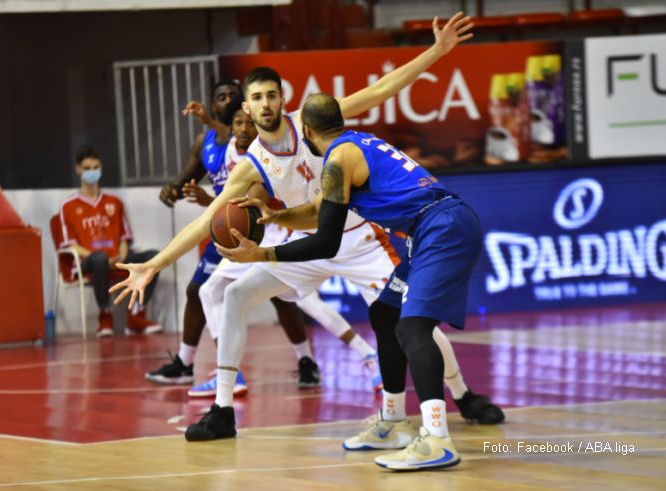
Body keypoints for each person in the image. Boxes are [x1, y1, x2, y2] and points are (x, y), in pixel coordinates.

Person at [110, 12, 478, 444]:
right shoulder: (251, 165)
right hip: (307, 242)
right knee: (235, 294)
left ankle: (464, 395)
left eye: (272, 95)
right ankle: (223, 410)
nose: (266, 103)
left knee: (414, 321)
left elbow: (380, 90)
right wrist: (154, 263)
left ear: (283, 99)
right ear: (246, 108)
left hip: (360, 239)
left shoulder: (313, 121)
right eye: (257, 98)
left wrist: (436, 51)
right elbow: (208, 221)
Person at [217, 91, 485, 471]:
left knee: (413, 328)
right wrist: (275, 217)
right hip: (437, 225)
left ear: (307, 131)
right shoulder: (356, 143)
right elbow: (318, 211)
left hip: (441, 228)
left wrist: (262, 254)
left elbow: (326, 240)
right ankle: (394, 421)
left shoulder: (336, 160)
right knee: (386, 314)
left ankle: (437, 439)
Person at [189, 102, 384, 395]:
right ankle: (232, 372)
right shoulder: (229, 151)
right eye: (239, 123)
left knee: (305, 301)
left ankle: (364, 354)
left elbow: (257, 200)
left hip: (273, 230)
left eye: (249, 123)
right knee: (211, 291)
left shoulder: (265, 153)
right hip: (254, 233)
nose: (244, 128)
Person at [146, 84, 324, 391]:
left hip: (258, 225)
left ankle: (306, 359)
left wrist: (206, 119)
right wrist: (174, 189)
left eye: (233, 96)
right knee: (200, 291)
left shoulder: (254, 142)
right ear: (215, 106)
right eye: (221, 96)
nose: (228, 101)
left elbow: (251, 182)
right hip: (222, 225)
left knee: (281, 297)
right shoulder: (207, 143)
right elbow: (188, 178)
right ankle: (196, 365)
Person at [58, 145, 161, 337]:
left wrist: (119, 257)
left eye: (95, 167)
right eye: (87, 168)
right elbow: (71, 245)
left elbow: (124, 238)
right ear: (78, 169)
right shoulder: (68, 205)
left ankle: (136, 315)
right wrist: (104, 258)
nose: (92, 172)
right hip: (88, 261)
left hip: (116, 256)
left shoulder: (115, 202)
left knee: (154, 257)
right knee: (99, 259)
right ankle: (104, 316)